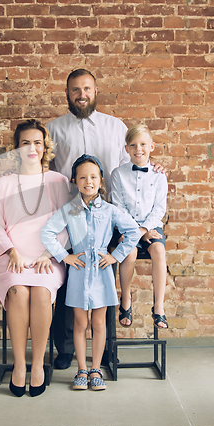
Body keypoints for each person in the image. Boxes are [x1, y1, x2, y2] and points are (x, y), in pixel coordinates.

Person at [46, 68, 166, 369]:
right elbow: (43, 171)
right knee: (66, 281)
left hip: (109, 216)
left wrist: (155, 167)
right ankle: (65, 350)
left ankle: (107, 350)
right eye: (75, 89)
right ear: (67, 93)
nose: (81, 94)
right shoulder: (54, 129)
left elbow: (133, 166)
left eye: (87, 88)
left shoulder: (115, 127)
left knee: (105, 281)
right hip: (69, 217)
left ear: (95, 91)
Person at [40, 155, 141, 390]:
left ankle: (96, 369)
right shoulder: (69, 209)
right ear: (75, 180)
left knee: (98, 321)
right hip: (79, 269)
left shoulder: (110, 210)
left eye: (93, 177)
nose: (89, 181)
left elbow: (133, 231)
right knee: (79, 323)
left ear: (101, 180)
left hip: (102, 271)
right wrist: (65, 256)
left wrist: (114, 256)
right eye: (83, 177)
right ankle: (81, 371)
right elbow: (47, 233)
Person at [0, 119, 70, 397]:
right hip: (12, 258)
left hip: (48, 256)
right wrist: (12, 251)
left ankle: (38, 364)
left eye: (37, 142)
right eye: (25, 143)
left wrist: (50, 253)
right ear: (17, 148)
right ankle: (20, 364)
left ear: (45, 146)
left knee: (41, 292)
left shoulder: (58, 181)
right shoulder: (4, 183)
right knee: (19, 292)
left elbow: (67, 223)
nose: (32, 148)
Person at [111, 124, 168, 329]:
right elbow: (118, 206)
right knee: (130, 253)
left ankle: (159, 307)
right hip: (126, 227)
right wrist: (135, 231)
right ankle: (126, 299)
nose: (138, 149)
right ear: (126, 149)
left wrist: (144, 230)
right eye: (133, 145)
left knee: (159, 250)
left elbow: (159, 208)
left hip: (151, 227)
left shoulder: (159, 175)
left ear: (151, 146)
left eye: (143, 144)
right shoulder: (118, 174)